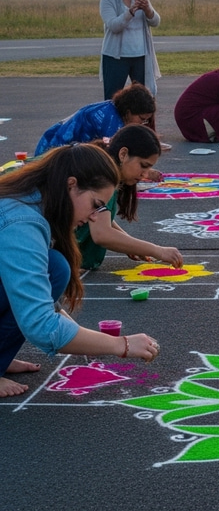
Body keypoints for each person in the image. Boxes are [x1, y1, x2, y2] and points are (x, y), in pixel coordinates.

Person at [0, 144, 161, 397]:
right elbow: (41, 325)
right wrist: (121, 344)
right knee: (55, 269)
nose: (96, 217)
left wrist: (83, 336)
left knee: (55, 267)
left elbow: (36, 292)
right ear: (71, 185)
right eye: (95, 204)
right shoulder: (22, 222)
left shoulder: (33, 199)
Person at [78, 125, 183, 270]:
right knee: (60, 269)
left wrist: (129, 244)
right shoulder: (101, 174)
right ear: (123, 154)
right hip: (40, 234)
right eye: (143, 166)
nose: (145, 175)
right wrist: (157, 250)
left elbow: (99, 217)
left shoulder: (103, 164)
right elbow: (101, 233)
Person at [35, 83, 156, 157]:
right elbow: (117, 157)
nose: (142, 124)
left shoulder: (111, 108)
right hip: (53, 156)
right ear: (129, 111)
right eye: (141, 119)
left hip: (53, 148)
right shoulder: (110, 122)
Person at [100, 0, 161, 100]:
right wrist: (131, 11)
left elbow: (156, 21)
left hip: (140, 55)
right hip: (116, 57)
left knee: (142, 98)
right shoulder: (107, 0)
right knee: (113, 98)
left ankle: (140, 123)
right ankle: (115, 123)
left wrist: (147, 10)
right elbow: (114, 26)